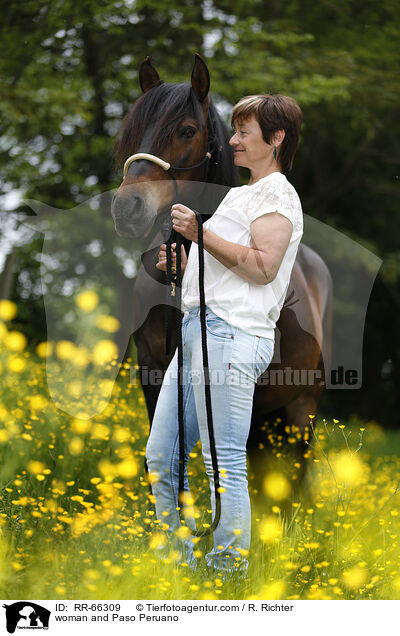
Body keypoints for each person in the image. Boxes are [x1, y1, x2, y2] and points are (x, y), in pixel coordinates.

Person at [145, 94, 304, 577]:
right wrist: (185, 266)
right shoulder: (239, 194)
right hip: (197, 329)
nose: (231, 140)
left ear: (275, 139)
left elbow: (262, 267)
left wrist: (200, 234)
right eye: (233, 131)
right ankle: (180, 563)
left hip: (233, 337)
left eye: (243, 133)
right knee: (161, 454)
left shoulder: (277, 194)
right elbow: (225, 265)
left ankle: (228, 572)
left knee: (223, 462)